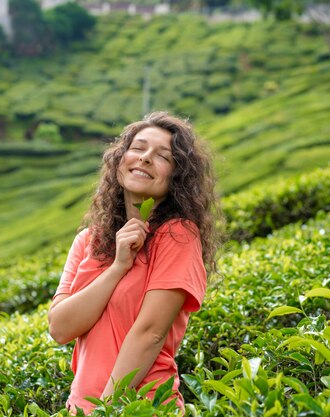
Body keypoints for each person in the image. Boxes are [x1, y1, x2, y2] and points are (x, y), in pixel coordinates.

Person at [48, 111, 221, 415]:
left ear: (176, 177)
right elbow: (61, 328)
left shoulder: (177, 235)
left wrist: (108, 409)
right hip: (81, 407)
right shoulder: (88, 241)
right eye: (138, 148)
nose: (145, 158)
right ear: (119, 161)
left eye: (163, 156)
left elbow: (151, 333)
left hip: (142, 407)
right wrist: (118, 266)